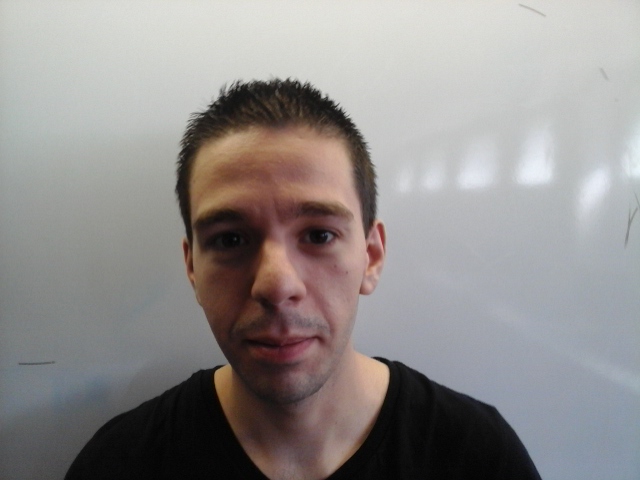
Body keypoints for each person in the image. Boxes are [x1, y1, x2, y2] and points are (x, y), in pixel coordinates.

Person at [65, 79, 541, 479]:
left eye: (318, 235)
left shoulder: (477, 457)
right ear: (192, 267)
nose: (276, 286)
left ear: (372, 256)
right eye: (230, 240)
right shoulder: (119, 465)